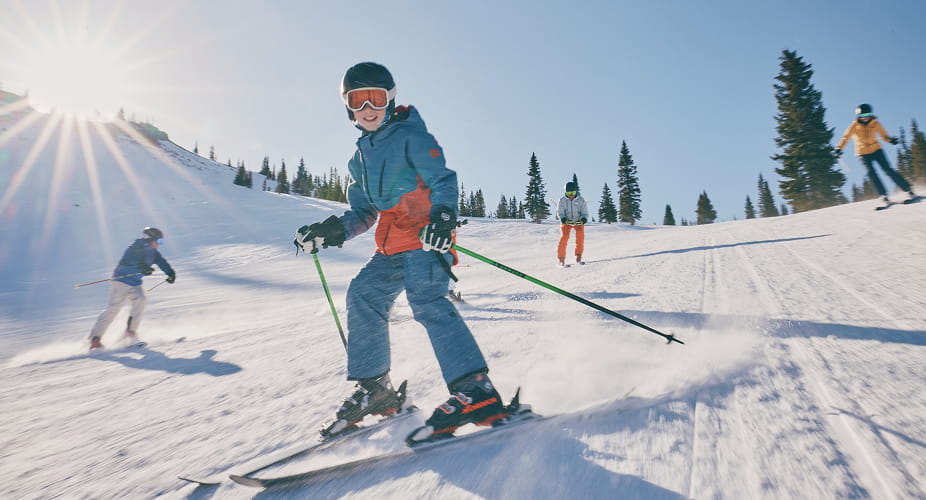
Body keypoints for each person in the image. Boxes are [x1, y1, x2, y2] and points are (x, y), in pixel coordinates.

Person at [294, 62, 510, 442]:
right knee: (363, 294)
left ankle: (476, 391)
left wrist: (443, 218)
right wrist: (331, 232)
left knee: (426, 300)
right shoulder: (359, 159)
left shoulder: (411, 136)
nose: (368, 108)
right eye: (358, 100)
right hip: (392, 246)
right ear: (348, 107)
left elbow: (443, 180)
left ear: (390, 100)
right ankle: (376, 389)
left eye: (375, 99)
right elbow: (363, 213)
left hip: (427, 238)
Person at [87, 227, 176, 349]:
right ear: (150, 239)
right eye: (159, 241)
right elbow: (132, 259)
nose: (160, 244)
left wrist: (170, 272)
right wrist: (143, 266)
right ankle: (95, 339)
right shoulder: (135, 247)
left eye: (162, 242)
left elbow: (162, 262)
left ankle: (130, 332)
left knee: (141, 300)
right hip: (121, 281)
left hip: (135, 283)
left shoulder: (154, 253)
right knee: (114, 309)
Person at [835, 103, 917, 206]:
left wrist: (891, 140)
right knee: (871, 173)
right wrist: (838, 149)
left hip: (876, 150)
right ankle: (883, 196)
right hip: (863, 153)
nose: (865, 117)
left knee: (888, 170)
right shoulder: (854, 126)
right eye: (862, 115)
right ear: (858, 116)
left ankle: (908, 190)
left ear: (871, 114)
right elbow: (845, 138)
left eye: (867, 115)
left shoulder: (876, 123)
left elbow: (884, 136)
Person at [556, 181, 588, 265]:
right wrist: (564, 220)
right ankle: (561, 259)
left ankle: (579, 256)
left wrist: (582, 220)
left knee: (580, 237)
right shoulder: (562, 200)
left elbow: (585, 213)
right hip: (567, 222)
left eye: (572, 193)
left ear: (576, 192)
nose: (571, 195)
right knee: (565, 237)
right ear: (565, 192)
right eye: (568, 193)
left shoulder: (581, 200)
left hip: (578, 222)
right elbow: (560, 213)